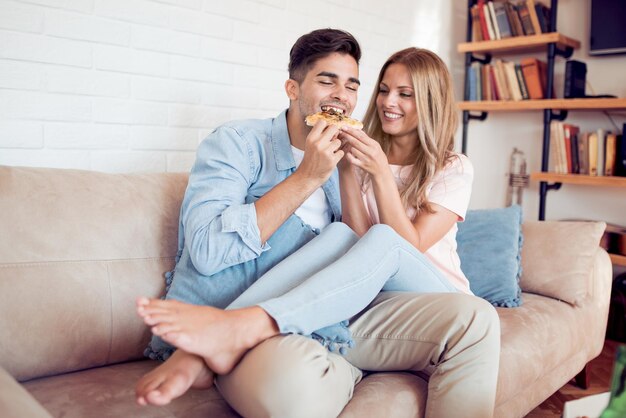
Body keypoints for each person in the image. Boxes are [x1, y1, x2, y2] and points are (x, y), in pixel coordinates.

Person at [137, 34, 501, 418]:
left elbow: (401, 247)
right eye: (328, 81)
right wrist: (336, 171)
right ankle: (230, 337)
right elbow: (353, 244)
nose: (345, 96)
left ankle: (232, 330)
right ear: (292, 88)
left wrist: (374, 172)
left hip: (432, 289)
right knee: (343, 235)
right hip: (372, 296)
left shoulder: (450, 165)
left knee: (384, 242)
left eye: (352, 85)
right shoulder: (253, 145)